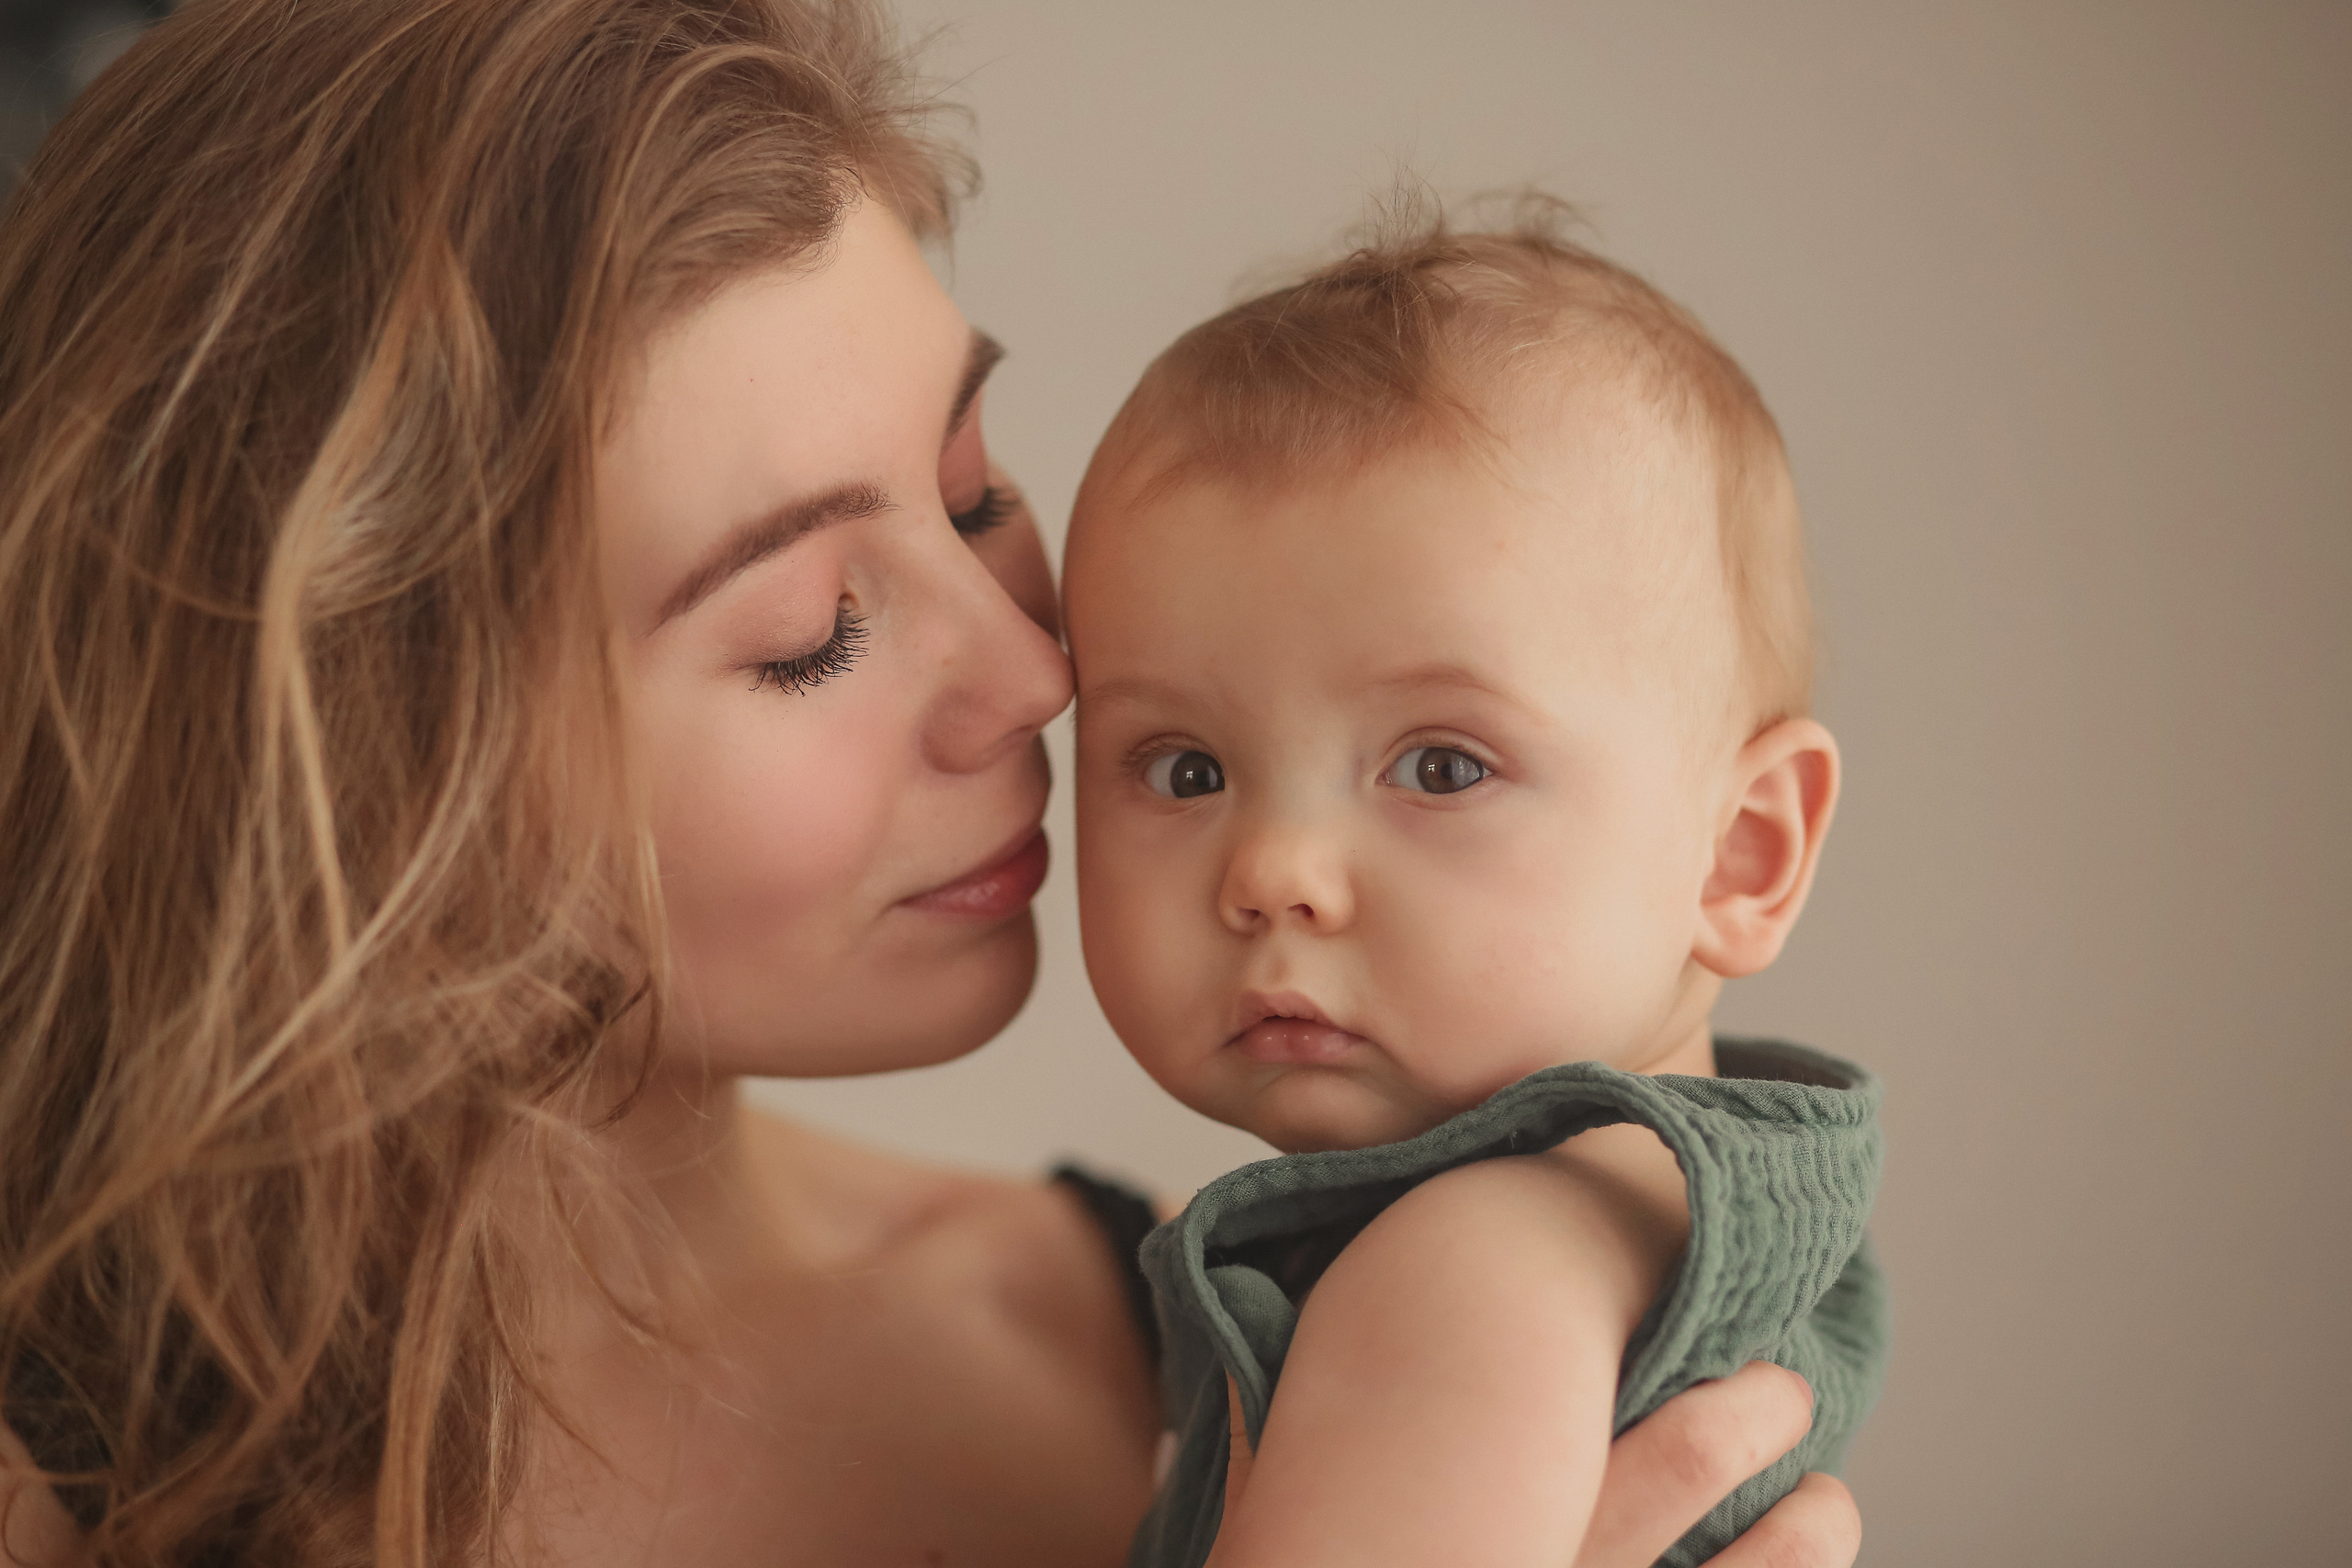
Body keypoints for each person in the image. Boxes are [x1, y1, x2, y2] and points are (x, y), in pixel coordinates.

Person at [0, 2, 1867, 1563]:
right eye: (813, 623)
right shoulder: (67, 1479)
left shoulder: (1158, 1331)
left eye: (977, 491)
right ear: (360, 755)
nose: (1037, 670)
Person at [1064, 201, 1886, 1567]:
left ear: (1742, 851)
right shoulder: (1687, 1213)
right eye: (1187, 769)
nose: (1273, 874)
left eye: (1441, 768)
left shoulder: (1477, 1265)